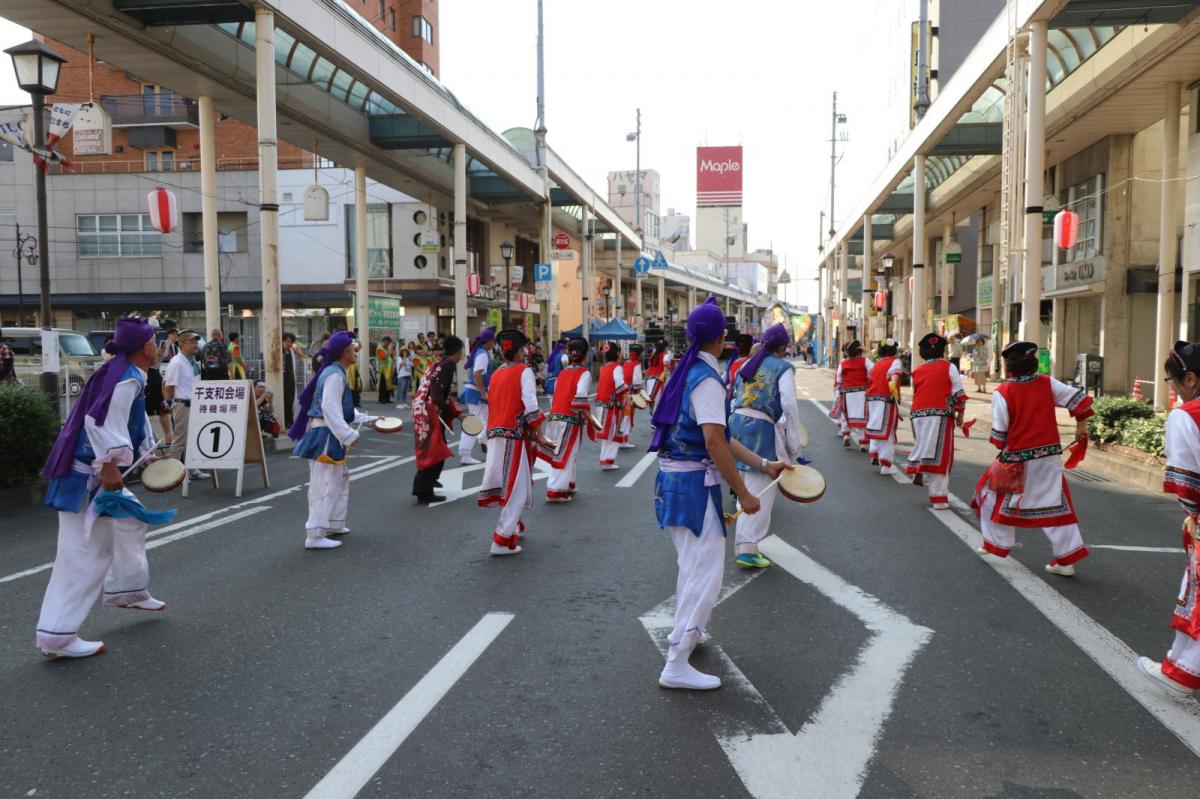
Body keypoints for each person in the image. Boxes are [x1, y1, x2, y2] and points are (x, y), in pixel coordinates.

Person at [649, 297, 787, 690]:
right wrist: (743, 492)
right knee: (706, 573)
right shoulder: (707, 379)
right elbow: (714, 441)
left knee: (692, 567)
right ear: (721, 338)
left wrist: (763, 465)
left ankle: (691, 633)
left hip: (676, 482)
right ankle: (676, 660)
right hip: (694, 485)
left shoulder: (686, 371)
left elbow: (722, 438)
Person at [36, 317, 173, 659]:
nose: (157, 347)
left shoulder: (128, 373)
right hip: (88, 476)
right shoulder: (124, 377)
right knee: (83, 553)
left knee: (131, 521)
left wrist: (147, 454)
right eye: (155, 342)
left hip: (94, 470)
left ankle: (128, 590)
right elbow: (97, 421)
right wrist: (110, 465)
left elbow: (134, 421)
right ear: (146, 348)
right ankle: (58, 635)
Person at [971, 340, 1093, 574]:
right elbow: (1078, 400)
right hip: (1048, 458)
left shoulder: (1004, 392)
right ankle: (1066, 560)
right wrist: (1081, 425)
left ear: (1008, 365)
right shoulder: (1047, 384)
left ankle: (997, 542)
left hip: (1016, 460)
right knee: (1055, 506)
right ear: (1034, 364)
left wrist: (1002, 444)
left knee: (988, 493)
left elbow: (1000, 434)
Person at [1138, 341, 1200, 696]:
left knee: (1195, 593)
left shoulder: (1187, 416)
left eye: (1172, 380)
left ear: (1190, 379)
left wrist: (1192, 516)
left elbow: (1188, 483)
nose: (1172, 388)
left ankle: (1182, 673)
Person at [289, 331, 377, 550]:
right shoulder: (335, 374)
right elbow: (329, 408)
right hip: (325, 434)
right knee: (325, 484)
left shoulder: (336, 372)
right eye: (353, 347)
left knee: (339, 479)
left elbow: (341, 409)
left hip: (328, 433)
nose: (356, 350)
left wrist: (370, 420)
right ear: (345, 351)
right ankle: (315, 533)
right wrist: (348, 435)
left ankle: (333, 524)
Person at [728, 323, 804, 569]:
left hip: (736, 424)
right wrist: (795, 445)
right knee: (761, 489)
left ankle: (746, 542)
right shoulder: (783, 367)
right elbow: (789, 406)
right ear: (783, 346)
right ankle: (747, 547)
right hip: (760, 429)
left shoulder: (747, 366)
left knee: (745, 484)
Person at [477, 329, 551, 556]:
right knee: (517, 489)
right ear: (521, 350)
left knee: (508, 484)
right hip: (516, 437)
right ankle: (501, 539)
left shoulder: (497, 372)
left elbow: (494, 403)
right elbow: (530, 405)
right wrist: (539, 432)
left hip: (497, 434)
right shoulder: (524, 371)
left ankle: (514, 525)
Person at [904, 333, 966, 508]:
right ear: (943, 350)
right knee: (941, 455)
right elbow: (958, 392)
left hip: (917, 414)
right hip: (939, 413)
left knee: (925, 445)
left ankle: (920, 468)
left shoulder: (916, 371)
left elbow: (916, 391)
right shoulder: (949, 367)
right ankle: (938, 498)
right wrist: (960, 413)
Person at [412, 336, 465, 505]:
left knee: (435, 447)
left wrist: (455, 412)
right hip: (430, 410)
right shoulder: (449, 363)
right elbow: (437, 390)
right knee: (433, 450)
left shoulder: (440, 362)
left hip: (424, 407)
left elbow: (438, 389)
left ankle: (429, 481)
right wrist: (445, 408)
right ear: (458, 351)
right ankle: (423, 491)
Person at [542, 338, 594, 502]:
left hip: (555, 416)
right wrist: (588, 415)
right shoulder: (584, 373)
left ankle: (569, 483)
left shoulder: (563, 373)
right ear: (586, 355)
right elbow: (580, 397)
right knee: (565, 453)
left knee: (568, 451)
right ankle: (555, 490)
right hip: (570, 418)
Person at [163, 330, 210, 480]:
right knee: (180, 440)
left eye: (196, 342)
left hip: (194, 404)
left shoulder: (191, 361)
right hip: (183, 404)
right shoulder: (177, 362)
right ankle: (173, 473)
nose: (195, 345)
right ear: (182, 344)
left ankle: (192, 469)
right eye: (192, 342)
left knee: (193, 438)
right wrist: (169, 403)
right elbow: (169, 386)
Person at [865, 339, 904, 475]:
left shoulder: (877, 364)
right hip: (886, 398)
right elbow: (895, 376)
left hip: (872, 398)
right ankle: (885, 465)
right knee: (889, 431)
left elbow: (870, 379)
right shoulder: (895, 362)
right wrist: (893, 388)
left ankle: (874, 453)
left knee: (876, 426)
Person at [458, 326, 497, 466]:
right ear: (488, 342)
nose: (494, 344)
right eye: (493, 341)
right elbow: (477, 374)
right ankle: (467, 453)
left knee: (481, 421)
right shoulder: (482, 354)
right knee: (475, 423)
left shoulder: (482, 352)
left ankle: (483, 443)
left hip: (475, 391)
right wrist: (483, 393)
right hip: (476, 392)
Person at [594, 341, 628, 470]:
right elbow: (619, 385)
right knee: (614, 433)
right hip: (612, 404)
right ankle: (608, 460)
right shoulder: (616, 367)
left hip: (601, 403)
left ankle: (604, 459)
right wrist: (627, 393)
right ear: (617, 354)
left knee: (607, 433)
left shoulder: (605, 367)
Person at [836, 340, 873, 451]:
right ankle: (862, 443)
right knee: (863, 417)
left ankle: (846, 435)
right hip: (862, 393)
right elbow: (874, 370)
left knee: (846, 415)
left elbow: (839, 378)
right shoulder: (865, 361)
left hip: (848, 393)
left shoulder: (843, 363)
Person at [620, 343, 645, 448]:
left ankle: (620, 439)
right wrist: (640, 393)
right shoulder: (637, 365)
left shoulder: (626, 363)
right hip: (631, 394)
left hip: (623, 393)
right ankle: (624, 440)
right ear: (638, 354)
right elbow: (637, 382)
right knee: (627, 417)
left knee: (623, 417)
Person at [726, 334, 754, 398]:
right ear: (751, 347)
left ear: (737, 348)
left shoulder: (732, 364)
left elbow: (730, 383)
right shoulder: (755, 363)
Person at [645, 340, 669, 406]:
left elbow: (649, 367)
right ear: (664, 347)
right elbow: (665, 368)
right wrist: (663, 377)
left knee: (651, 398)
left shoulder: (653, 355)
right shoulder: (665, 355)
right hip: (658, 380)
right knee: (659, 401)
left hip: (649, 379)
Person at [376, 336, 395, 405]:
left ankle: (387, 399)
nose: (388, 344)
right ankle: (382, 399)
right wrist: (389, 351)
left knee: (388, 385)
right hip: (382, 370)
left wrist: (392, 351)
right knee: (383, 385)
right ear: (384, 341)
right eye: (387, 342)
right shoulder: (379, 349)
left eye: (389, 343)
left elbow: (392, 358)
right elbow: (384, 357)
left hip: (388, 370)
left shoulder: (387, 349)